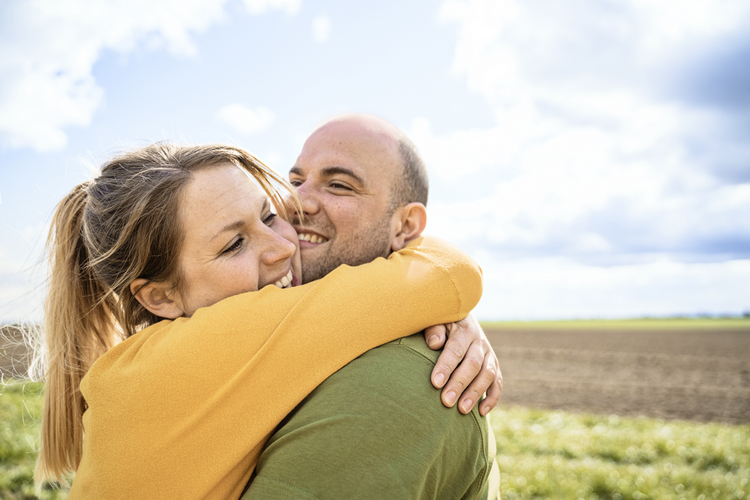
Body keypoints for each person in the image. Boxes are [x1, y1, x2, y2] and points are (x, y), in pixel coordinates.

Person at [35, 142, 491, 499]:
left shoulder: (142, 362)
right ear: (159, 296)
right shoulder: (216, 344)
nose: (283, 247)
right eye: (234, 245)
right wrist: (450, 309)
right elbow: (452, 275)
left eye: (269, 215)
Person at [243, 114, 501, 499]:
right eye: (295, 180)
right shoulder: (288, 326)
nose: (296, 200)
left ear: (405, 226)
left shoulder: (402, 382)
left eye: (339, 185)